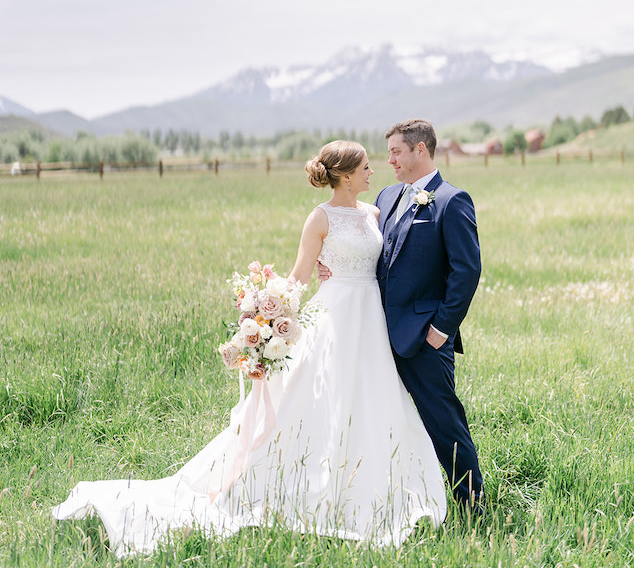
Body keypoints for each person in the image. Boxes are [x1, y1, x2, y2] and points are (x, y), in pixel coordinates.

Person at [53, 140, 446, 558]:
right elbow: (298, 278)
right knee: (315, 400)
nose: (374, 172)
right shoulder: (320, 218)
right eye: (367, 166)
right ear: (346, 175)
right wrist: (262, 320)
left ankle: (371, 485)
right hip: (333, 316)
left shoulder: (374, 214)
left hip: (370, 318)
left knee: (372, 400)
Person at [320, 119, 484, 511]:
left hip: (425, 337)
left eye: (396, 151)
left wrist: (441, 329)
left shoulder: (450, 200)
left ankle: (471, 502)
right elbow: (370, 251)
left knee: (443, 421)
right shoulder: (386, 196)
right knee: (380, 416)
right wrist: (333, 268)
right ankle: (391, 497)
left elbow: (467, 271)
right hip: (375, 332)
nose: (389, 159)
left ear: (420, 150)